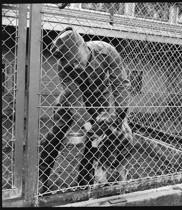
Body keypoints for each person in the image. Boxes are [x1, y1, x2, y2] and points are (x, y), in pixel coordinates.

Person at [39, 27, 131, 194]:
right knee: (56, 131)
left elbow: (120, 83)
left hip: (98, 98)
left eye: (75, 59)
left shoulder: (107, 51)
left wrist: (121, 115)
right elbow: (74, 100)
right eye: (69, 63)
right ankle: (41, 177)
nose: (74, 65)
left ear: (83, 47)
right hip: (70, 100)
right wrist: (88, 126)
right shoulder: (64, 67)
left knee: (96, 139)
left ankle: (84, 183)